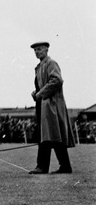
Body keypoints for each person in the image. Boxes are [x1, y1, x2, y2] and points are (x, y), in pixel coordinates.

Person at [28, 41, 75, 174]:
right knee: (53, 134)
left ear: (46, 50)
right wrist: (36, 94)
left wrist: (40, 93)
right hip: (44, 104)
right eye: (35, 50)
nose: (37, 52)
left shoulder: (51, 63)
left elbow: (57, 80)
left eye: (39, 49)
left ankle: (42, 166)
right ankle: (64, 166)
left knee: (49, 134)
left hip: (51, 104)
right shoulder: (40, 66)